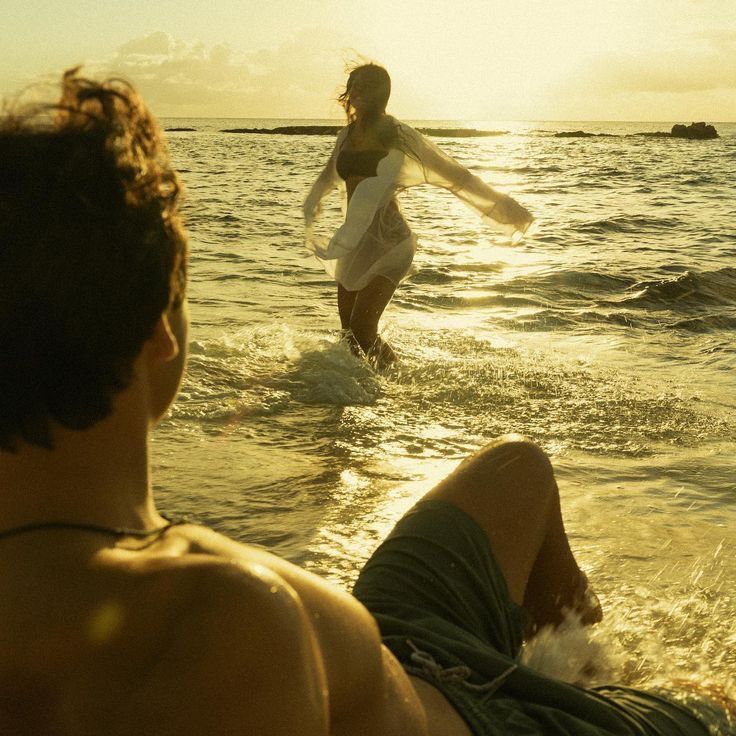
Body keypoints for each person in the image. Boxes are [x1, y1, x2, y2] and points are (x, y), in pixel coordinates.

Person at [0, 70, 731, 736]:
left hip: (398, 644)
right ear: (160, 331)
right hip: (471, 717)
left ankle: (593, 676)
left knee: (517, 469)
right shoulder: (221, 625)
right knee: (708, 705)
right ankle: (603, 705)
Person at [303, 62, 534, 369]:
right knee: (348, 336)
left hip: (391, 243)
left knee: (362, 329)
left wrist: (500, 203)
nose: (355, 90)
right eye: (352, 84)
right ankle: (354, 396)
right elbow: (327, 176)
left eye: (363, 85)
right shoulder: (346, 136)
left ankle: (399, 384)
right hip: (354, 242)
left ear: (379, 93)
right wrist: (311, 203)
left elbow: (455, 176)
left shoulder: (397, 135)